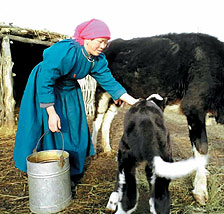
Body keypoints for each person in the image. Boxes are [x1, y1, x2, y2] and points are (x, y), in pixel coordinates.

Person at [13, 19, 138, 184]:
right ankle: (43, 169)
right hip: (45, 85)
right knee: (43, 125)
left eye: (106, 43)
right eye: (100, 41)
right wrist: (51, 113)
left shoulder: (96, 59)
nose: (103, 46)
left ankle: (71, 171)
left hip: (69, 88)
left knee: (74, 127)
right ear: (87, 38)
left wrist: (135, 102)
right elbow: (46, 80)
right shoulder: (66, 51)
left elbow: (110, 82)